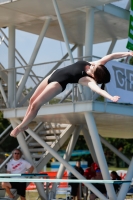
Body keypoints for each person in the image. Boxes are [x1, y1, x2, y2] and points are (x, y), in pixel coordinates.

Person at [10, 51, 133, 137]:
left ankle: (20, 127)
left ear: (94, 75)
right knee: (32, 100)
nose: (93, 64)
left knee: (36, 105)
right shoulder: (98, 65)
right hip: (54, 74)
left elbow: (98, 90)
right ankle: (25, 124)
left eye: (94, 67)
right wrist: (127, 53)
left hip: (57, 84)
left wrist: (111, 97)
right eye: (95, 65)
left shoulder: (88, 80)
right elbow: (111, 56)